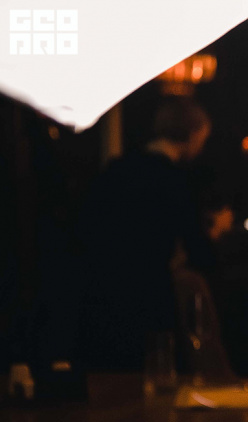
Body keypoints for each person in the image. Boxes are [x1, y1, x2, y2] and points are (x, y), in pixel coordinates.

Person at [78, 96, 216, 371]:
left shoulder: (117, 168)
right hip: (150, 290)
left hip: (102, 289)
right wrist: (214, 234)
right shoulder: (175, 179)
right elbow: (197, 248)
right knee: (157, 370)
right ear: (192, 134)